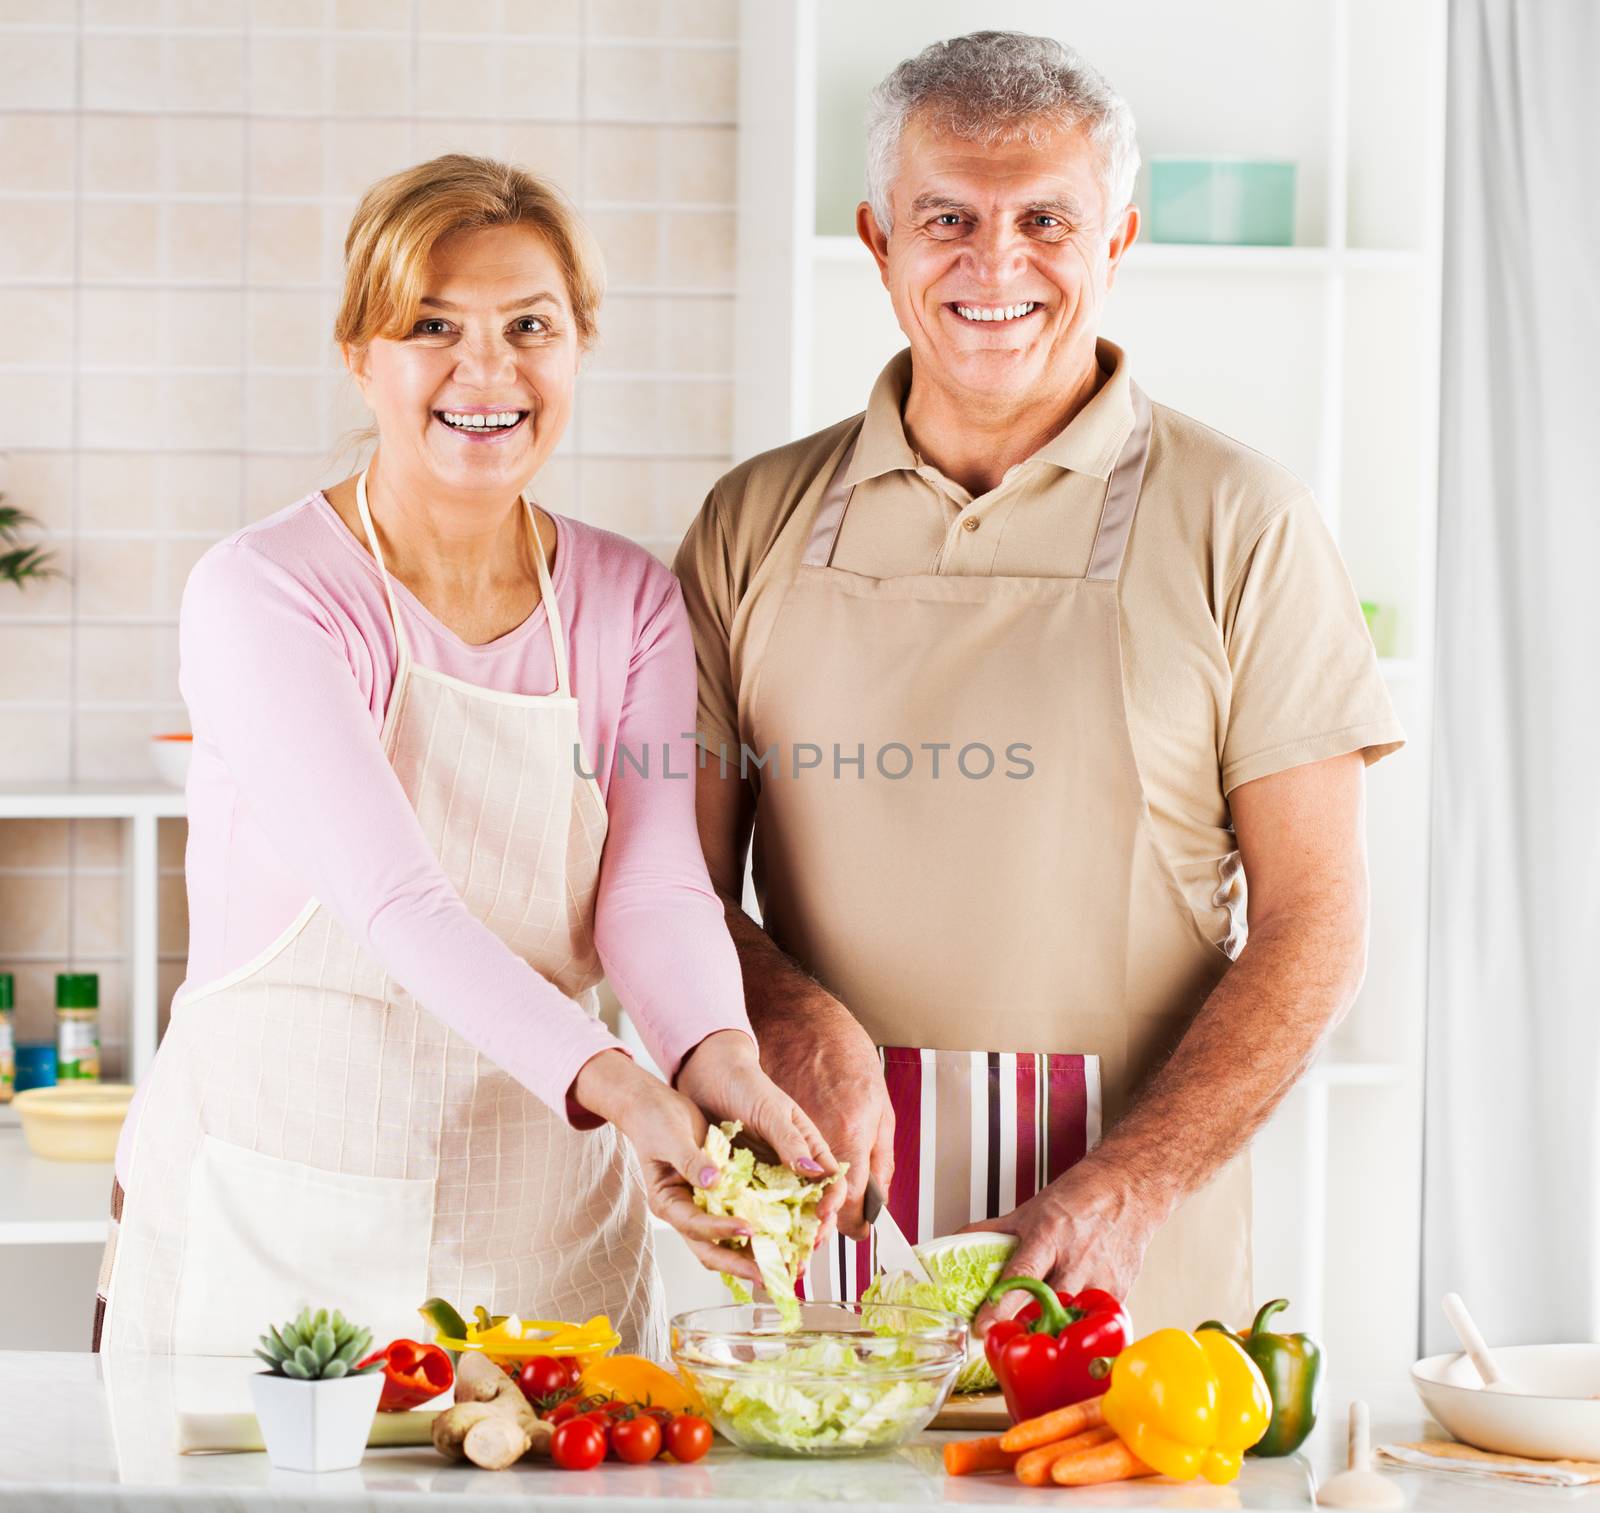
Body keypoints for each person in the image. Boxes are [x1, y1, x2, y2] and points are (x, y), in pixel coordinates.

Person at [674, 33, 1403, 1328]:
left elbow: (1319, 925)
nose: (994, 263)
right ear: (877, 240)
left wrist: (1124, 1188)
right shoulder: (752, 521)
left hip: (1125, 1285)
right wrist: (784, 1004)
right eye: (945, 217)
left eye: (1045, 221)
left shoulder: (1244, 521)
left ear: (1117, 238)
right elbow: (667, 884)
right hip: (813, 1253)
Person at [96, 155, 833, 1359]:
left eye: (527, 326)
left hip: (536, 1226)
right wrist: (621, 1084)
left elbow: (651, 883)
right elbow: (396, 902)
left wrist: (715, 1055)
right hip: (282, 1215)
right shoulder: (269, 592)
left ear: (578, 345)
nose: (484, 371)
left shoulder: (626, 598)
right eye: (431, 326)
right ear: (360, 354)